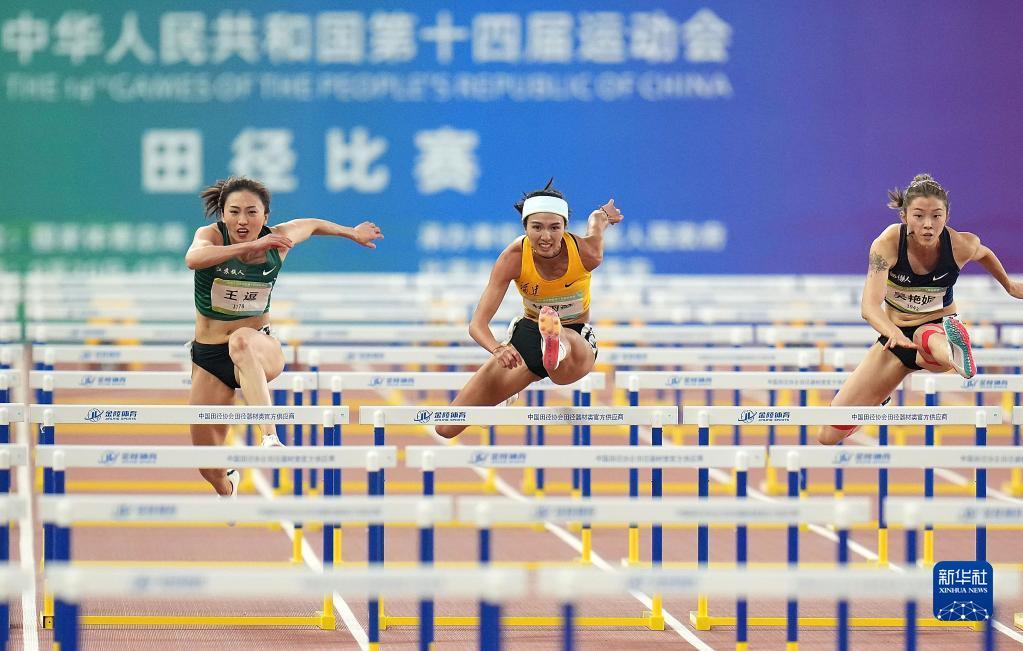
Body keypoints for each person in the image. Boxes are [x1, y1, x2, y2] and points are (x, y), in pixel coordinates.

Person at [185, 176, 383, 495]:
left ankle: (270, 436)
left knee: (241, 340)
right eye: (234, 212)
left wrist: (352, 233)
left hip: (259, 347)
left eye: (252, 212)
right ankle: (227, 484)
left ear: (265, 216)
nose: (243, 220)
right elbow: (193, 259)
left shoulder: (280, 238)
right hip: (210, 356)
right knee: (208, 466)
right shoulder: (209, 235)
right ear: (222, 215)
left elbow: (313, 225)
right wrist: (251, 246)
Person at [818, 173, 1023, 445]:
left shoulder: (959, 245)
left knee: (928, 337)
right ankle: (876, 402)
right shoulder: (887, 244)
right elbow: (869, 306)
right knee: (828, 435)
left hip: (937, 328)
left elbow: (983, 253)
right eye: (919, 216)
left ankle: (955, 353)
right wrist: (892, 332)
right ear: (904, 216)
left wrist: (1009, 285)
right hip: (895, 338)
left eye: (937, 216)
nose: (928, 224)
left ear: (947, 216)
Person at [435, 179, 623, 439]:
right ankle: (542, 350)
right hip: (528, 338)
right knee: (447, 427)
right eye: (536, 227)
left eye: (555, 227)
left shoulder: (587, 253)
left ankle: (555, 345)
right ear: (524, 227)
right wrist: (498, 349)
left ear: (565, 227)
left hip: (576, 338)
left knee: (560, 365)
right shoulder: (513, 257)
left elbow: (596, 225)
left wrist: (601, 215)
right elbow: (477, 324)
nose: (546, 236)